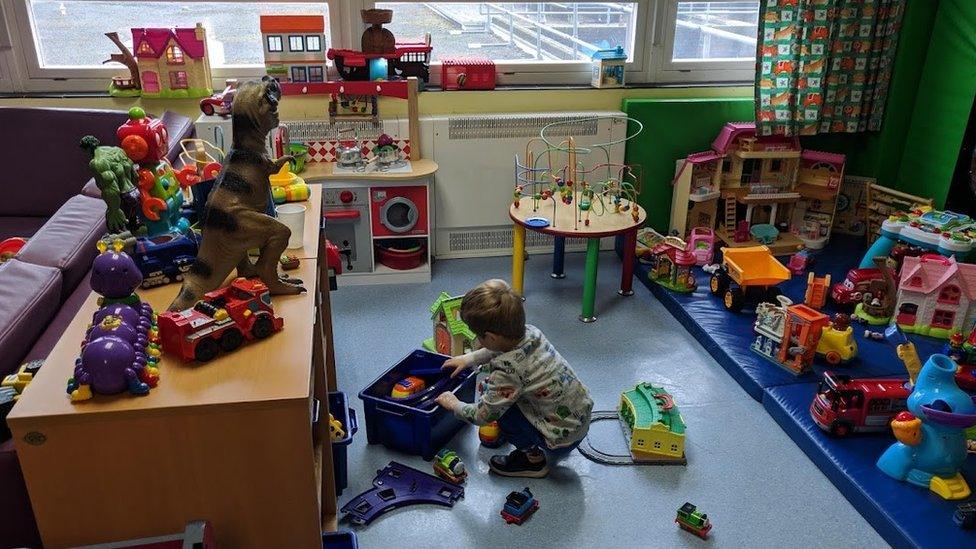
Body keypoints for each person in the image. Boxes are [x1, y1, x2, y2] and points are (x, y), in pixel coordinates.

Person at [435, 279, 593, 478]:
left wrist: (454, 404)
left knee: (500, 411)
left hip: (560, 440)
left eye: (478, 335)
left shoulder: (507, 372)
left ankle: (532, 461)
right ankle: (529, 437)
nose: (476, 340)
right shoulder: (531, 332)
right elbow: (502, 349)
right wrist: (468, 358)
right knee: (500, 395)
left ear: (490, 338)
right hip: (581, 420)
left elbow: (484, 416)